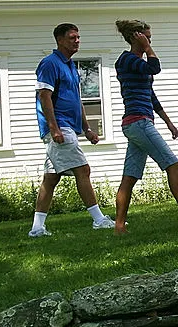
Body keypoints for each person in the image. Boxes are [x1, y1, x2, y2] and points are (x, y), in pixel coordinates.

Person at [113, 19, 178, 233]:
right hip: (137, 122)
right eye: (146, 37)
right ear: (135, 37)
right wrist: (148, 49)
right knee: (172, 165)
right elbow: (155, 67)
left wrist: (169, 123)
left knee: (129, 176)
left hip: (139, 122)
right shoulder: (126, 60)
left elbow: (151, 97)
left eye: (150, 38)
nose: (149, 41)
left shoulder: (137, 65)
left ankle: (119, 226)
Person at [29, 23, 115, 237]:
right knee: (83, 170)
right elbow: (44, 96)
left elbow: (77, 100)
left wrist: (86, 128)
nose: (76, 41)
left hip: (68, 127)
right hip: (59, 128)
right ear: (59, 40)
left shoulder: (70, 66)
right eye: (71, 37)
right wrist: (54, 128)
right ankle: (98, 220)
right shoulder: (49, 64)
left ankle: (37, 229)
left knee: (51, 178)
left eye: (78, 37)